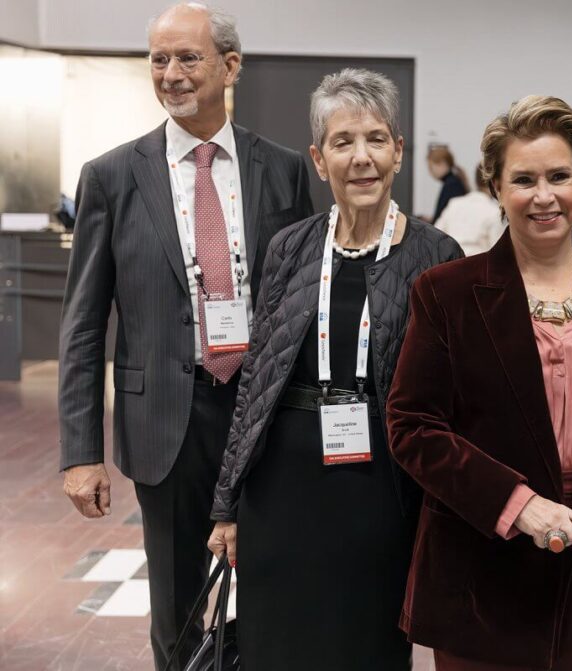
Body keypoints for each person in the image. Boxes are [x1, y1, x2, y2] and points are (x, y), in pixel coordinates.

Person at [57, 4, 312, 669]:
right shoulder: (111, 177)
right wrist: (79, 451)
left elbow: (303, 305)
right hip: (166, 416)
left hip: (264, 412)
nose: (170, 74)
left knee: (274, 584)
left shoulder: (281, 171)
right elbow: (83, 322)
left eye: (187, 58)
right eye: (158, 59)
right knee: (176, 604)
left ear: (230, 66)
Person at [387, 95, 572, 670]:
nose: (543, 196)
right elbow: (412, 426)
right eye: (523, 179)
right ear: (495, 186)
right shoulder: (446, 292)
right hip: (481, 575)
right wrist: (517, 504)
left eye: (558, 176)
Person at [206, 68, 462, 670]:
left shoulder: (436, 256)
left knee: (366, 644)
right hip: (283, 489)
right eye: (343, 142)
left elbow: (449, 402)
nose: (362, 157)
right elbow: (255, 385)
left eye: (376, 138)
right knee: (276, 645)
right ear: (320, 161)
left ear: (398, 151)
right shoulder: (289, 248)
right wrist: (227, 504)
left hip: (379, 490)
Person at [433, 164, 504, 255]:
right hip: (478, 264)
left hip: (450, 262)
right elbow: (498, 252)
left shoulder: (454, 203)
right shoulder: (494, 212)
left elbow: (436, 235)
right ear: (496, 183)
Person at [427, 144, 469, 221]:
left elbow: (441, 215)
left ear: (442, 164)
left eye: (431, 167)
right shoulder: (454, 181)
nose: (430, 172)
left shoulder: (451, 185)